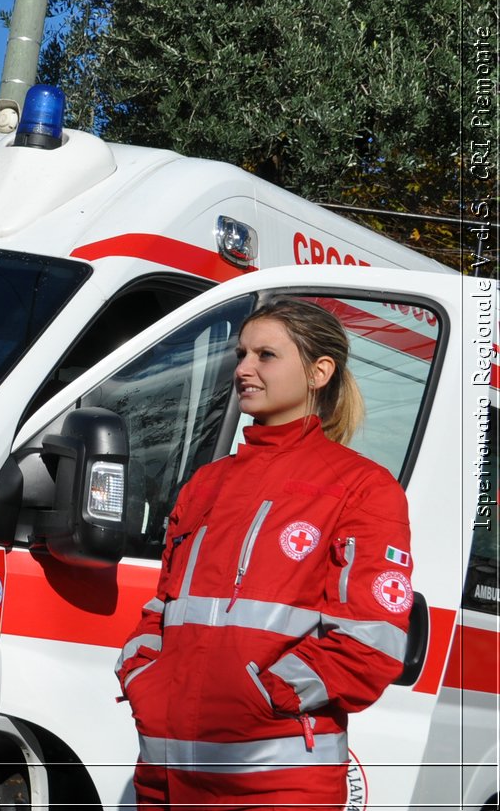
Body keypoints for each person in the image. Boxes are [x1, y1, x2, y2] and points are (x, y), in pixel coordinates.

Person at [115, 299, 414, 810]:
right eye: (241, 353)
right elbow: (164, 609)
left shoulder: (364, 487)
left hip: (277, 782)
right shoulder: (206, 483)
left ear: (319, 372)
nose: (244, 368)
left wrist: (267, 695)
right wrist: (144, 675)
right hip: (165, 776)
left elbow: (372, 642)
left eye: (266, 355)